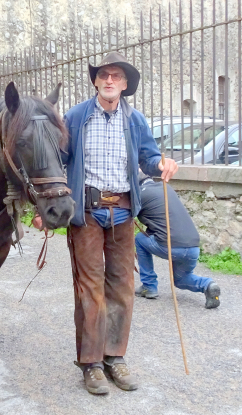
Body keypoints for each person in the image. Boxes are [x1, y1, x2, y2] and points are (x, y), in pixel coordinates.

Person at [62, 52, 179, 395]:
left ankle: (115, 357)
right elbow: (58, 161)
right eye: (104, 75)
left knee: (123, 287)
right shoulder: (75, 117)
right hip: (86, 212)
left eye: (116, 76)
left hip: (125, 212)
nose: (110, 80)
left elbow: (149, 156)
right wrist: (47, 206)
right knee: (90, 288)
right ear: (96, 81)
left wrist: (163, 163)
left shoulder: (136, 120)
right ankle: (91, 363)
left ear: (125, 85)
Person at [135, 171, 221, 308]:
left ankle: (149, 286)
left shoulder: (138, 195)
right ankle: (208, 285)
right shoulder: (165, 187)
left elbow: (126, 217)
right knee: (181, 279)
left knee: (139, 239)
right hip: (193, 247)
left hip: (170, 246)